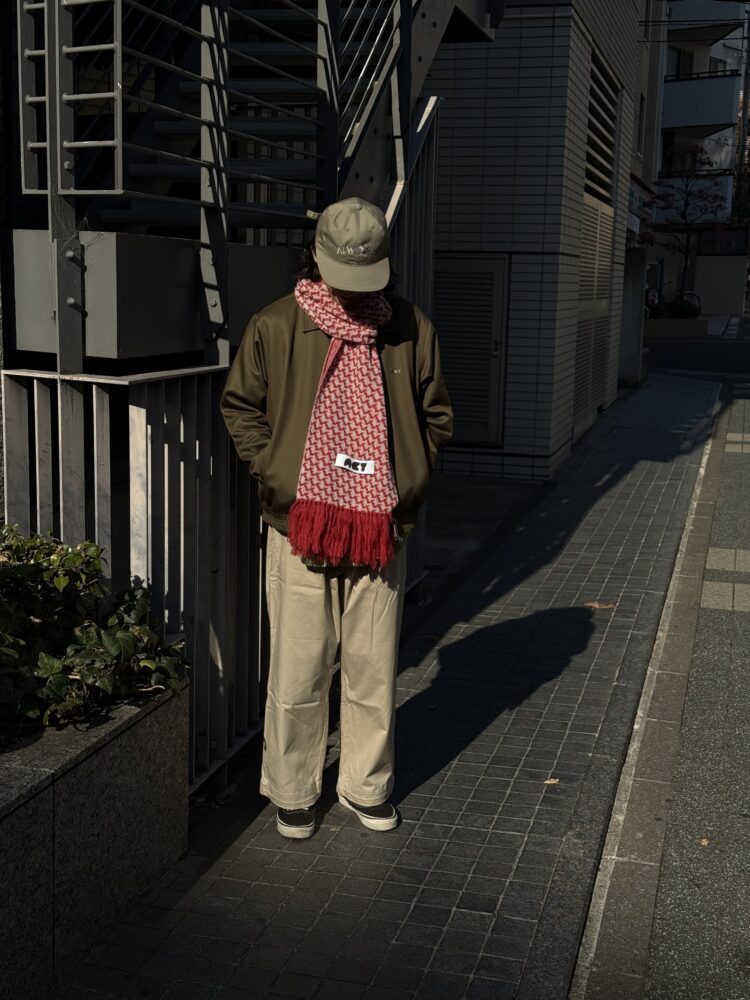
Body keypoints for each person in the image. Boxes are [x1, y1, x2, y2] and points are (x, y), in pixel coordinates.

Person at [220, 196, 452, 839]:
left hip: (381, 530)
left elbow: (436, 416)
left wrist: (408, 479)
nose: (354, 291)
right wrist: (277, 471)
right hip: (301, 527)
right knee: (298, 666)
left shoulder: (409, 328)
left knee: (372, 669)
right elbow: (240, 406)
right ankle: (293, 788)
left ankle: (365, 785)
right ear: (316, 260)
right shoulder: (276, 325)